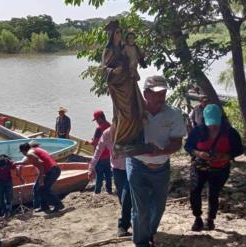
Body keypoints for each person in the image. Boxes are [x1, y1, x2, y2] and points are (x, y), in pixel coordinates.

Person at [126, 76, 186, 247]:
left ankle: (148, 232)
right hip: (137, 165)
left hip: (161, 167)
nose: (162, 97)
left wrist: (160, 151)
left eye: (164, 93)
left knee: (158, 208)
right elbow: (120, 133)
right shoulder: (133, 112)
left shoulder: (173, 114)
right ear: (145, 94)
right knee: (141, 208)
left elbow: (177, 143)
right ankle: (141, 242)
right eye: (157, 93)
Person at [184, 104, 243, 231]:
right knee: (195, 191)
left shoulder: (230, 133)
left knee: (213, 194)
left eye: (216, 123)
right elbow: (188, 147)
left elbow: (239, 149)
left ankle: (210, 219)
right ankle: (197, 218)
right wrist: (199, 153)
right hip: (199, 167)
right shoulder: (198, 131)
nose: (213, 127)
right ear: (204, 120)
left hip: (220, 168)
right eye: (210, 123)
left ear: (221, 119)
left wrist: (226, 156)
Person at [101, 20, 153, 155]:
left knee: (138, 109)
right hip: (118, 87)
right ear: (112, 35)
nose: (119, 35)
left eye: (120, 32)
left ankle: (133, 140)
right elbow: (103, 69)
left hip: (129, 82)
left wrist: (142, 56)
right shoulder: (109, 50)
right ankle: (120, 142)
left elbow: (134, 57)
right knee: (126, 114)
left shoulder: (124, 47)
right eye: (117, 32)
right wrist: (113, 71)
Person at [88, 127, 132, 237]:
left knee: (127, 196)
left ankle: (123, 225)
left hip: (133, 169)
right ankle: (131, 220)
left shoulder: (131, 129)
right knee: (122, 198)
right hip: (117, 169)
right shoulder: (107, 133)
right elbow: (98, 150)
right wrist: (91, 167)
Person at [16, 143, 64, 213]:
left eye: (22, 152)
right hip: (52, 169)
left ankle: (58, 204)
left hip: (51, 171)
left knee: (44, 189)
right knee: (37, 188)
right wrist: (16, 164)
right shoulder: (35, 150)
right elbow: (26, 162)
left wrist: (41, 178)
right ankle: (44, 206)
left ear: (23, 151)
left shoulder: (30, 153)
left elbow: (40, 163)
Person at [85, 110, 112, 194]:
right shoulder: (110, 125)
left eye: (96, 120)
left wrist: (88, 142)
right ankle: (109, 190)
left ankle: (97, 191)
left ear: (100, 118)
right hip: (109, 155)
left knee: (99, 175)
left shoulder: (99, 129)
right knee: (108, 174)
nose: (96, 122)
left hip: (100, 156)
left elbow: (95, 142)